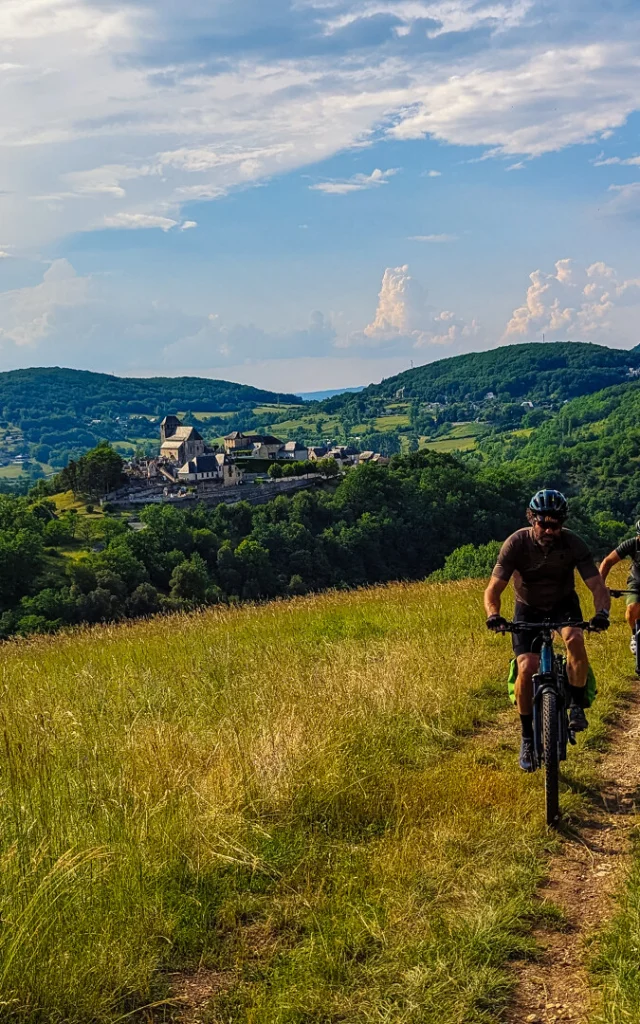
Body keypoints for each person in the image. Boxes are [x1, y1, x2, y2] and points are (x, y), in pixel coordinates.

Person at [483, 489, 610, 771]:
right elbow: (493, 588)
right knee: (526, 667)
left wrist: (602, 613)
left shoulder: (573, 543)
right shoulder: (515, 544)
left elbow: (596, 584)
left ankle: (576, 705)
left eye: (556, 524)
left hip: (564, 604)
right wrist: (494, 615)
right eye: (543, 523)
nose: (549, 530)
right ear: (532, 519)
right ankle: (527, 737)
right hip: (526, 607)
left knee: (575, 637)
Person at [599, 521, 640, 652]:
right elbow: (607, 562)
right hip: (637, 581)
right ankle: (635, 635)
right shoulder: (632, 544)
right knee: (632, 610)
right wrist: (600, 586)